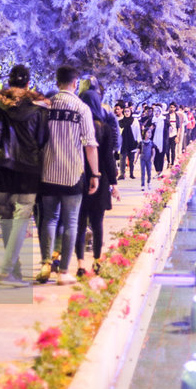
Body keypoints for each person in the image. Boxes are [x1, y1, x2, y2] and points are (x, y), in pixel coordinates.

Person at [38, 66, 99, 285]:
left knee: (49, 219)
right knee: (71, 222)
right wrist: (96, 173)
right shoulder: (81, 108)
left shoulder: (47, 106)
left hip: (47, 172)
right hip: (73, 174)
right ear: (75, 84)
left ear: (57, 83)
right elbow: (90, 145)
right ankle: (63, 271)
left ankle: (46, 262)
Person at [0, 64, 49, 284]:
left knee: (6, 219)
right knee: (21, 219)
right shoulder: (40, 109)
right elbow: (42, 139)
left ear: (9, 82)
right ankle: (6, 270)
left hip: (4, 167)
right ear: (27, 83)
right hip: (29, 169)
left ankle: (14, 267)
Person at [75, 89, 120, 276]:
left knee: (79, 223)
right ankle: (96, 260)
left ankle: (79, 264)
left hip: (78, 177)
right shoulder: (104, 128)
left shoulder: (76, 125)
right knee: (97, 222)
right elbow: (109, 158)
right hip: (100, 179)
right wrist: (114, 183)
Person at [118, 105, 140, 180]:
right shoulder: (121, 121)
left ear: (131, 112)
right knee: (122, 158)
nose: (127, 113)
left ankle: (131, 173)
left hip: (132, 141)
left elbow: (137, 131)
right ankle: (122, 174)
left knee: (131, 159)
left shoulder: (134, 120)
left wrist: (138, 141)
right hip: (123, 142)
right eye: (125, 111)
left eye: (128, 111)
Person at [138, 107, 155, 189]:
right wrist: (135, 159)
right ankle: (142, 184)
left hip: (149, 159)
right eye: (148, 132)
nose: (149, 134)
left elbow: (153, 151)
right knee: (143, 172)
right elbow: (138, 151)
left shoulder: (151, 143)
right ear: (144, 133)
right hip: (142, 158)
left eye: (150, 133)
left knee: (149, 172)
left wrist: (152, 158)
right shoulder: (141, 142)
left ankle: (149, 182)